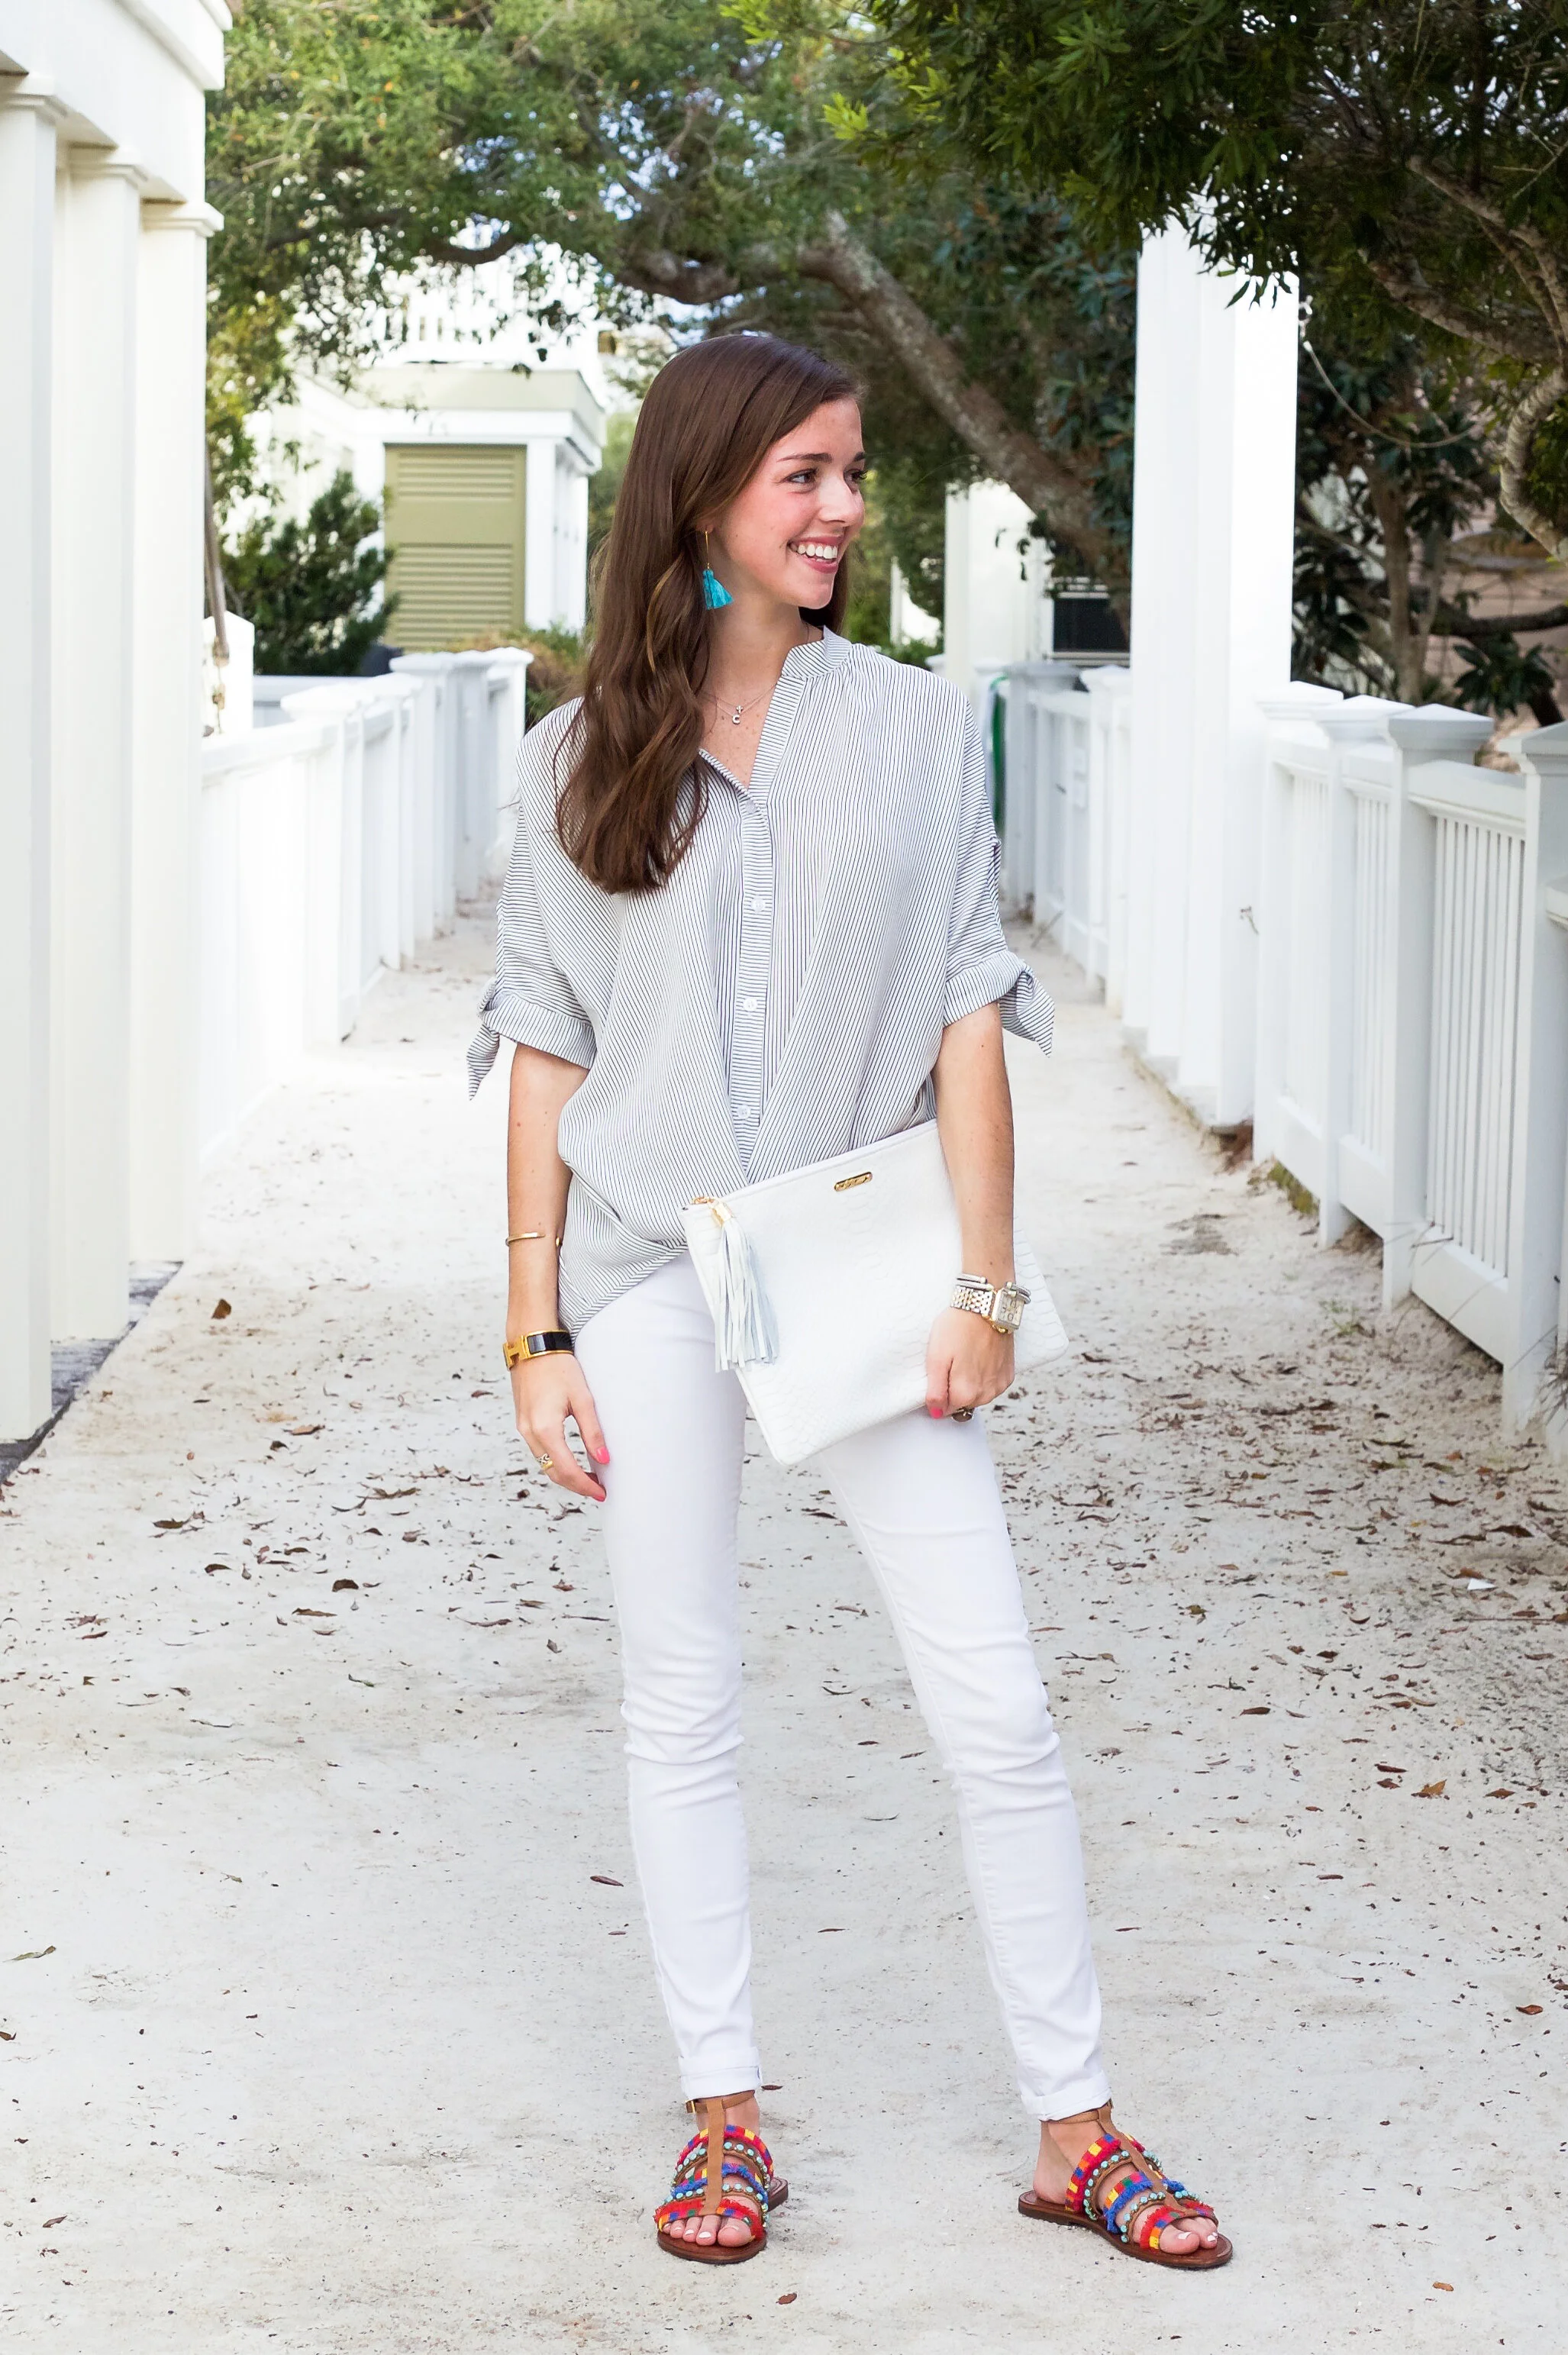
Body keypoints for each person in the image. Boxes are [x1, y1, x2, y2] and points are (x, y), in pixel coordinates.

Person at [469, 334, 1230, 2273]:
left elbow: (968, 1007)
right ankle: (723, 2116)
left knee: (991, 1701)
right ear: (704, 496)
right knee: (684, 1701)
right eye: (801, 474)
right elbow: (548, 1050)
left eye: (849, 472)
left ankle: (1077, 2127)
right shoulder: (572, 762)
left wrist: (983, 1280)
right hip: (647, 1261)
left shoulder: (910, 726)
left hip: (864, 1260)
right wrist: (535, 1327)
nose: (837, 509)